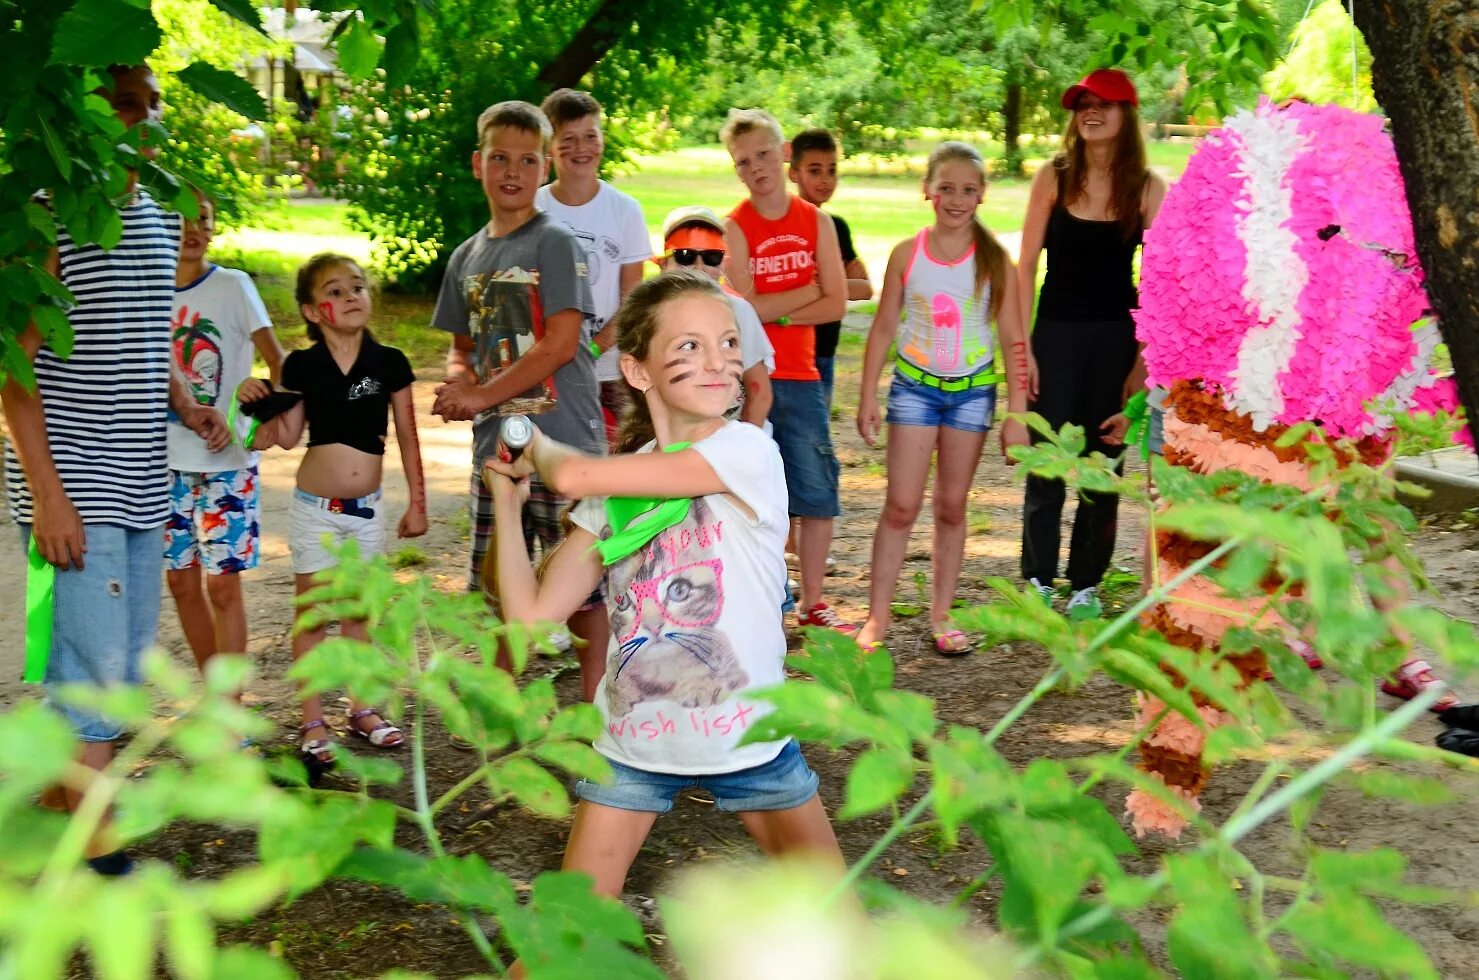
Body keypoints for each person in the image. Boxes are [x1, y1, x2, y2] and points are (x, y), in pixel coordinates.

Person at [484, 271, 845, 903]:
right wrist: (508, 511)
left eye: (728, 344)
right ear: (638, 370)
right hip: (631, 750)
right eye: (688, 347)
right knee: (561, 947)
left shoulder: (746, 451)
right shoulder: (618, 488)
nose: (719, 363)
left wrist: (533, 440)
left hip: (752, 743)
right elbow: (531, 616)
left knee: (843, 933)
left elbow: (569, 474)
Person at [1, 63, 228, 876]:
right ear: (86, 112)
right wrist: (49, 498)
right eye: (128, 102)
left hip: (141, 471)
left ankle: (63, 800)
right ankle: (92, 854)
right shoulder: (51, 215)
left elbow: (144, 331)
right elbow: (14, 374)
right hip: (73, 478)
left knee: (118, 658)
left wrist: (185, 402)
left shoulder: (162, 213)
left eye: (154, 102)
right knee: (96, 666)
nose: (147, 116)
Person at [429, 100, 608, 701]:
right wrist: (459, 389)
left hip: (563, 443)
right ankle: (501, 705)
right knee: (496, 582)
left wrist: (479, 392)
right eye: (499, 158)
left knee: (581, 586)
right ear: (477, 163)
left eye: (527, 160)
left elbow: (559, 345)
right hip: (496, 449)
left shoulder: (554, 243)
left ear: (544, 167)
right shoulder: (465, 257)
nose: (512, 171)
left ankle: (595, 708)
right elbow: (463, 346)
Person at [242, 253, 426, 766]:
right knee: (313, 616)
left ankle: (362, 710)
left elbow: (409, 437)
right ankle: (312, 719)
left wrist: (417, 504)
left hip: (365, 511)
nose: (351, 297)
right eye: (336, 291)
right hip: (314, 512)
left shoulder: (389, 363)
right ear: (313, 309)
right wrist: (255, 400)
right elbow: (279, 438)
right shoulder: (300, 367)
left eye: (358, 287)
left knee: (358, 615)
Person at [855, 142, 1030, 655]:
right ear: (927, 190)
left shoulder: (995, 260)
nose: (957, 199)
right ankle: (876, 620)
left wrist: (1018, 412)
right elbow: (885, 325)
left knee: (952, 506)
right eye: (947, 188)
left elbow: (1013, 337)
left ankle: (943, 615)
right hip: (914, 390)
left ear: (983, 195)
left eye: (969, 190)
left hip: (971, 394)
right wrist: (868, 394)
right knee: (901, 505)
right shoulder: (908, 255)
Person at [1016, 68, 1167, 620]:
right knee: (1048, 460)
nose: (1091, 112)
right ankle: (1037, 577)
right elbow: (1026, 264)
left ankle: (1086, 584)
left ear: (1127, 114)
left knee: (1104, 465)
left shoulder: (1149, 189)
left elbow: (1160, 283)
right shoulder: (1053, 177)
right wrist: (1023, 347)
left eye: (1104, 104)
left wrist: (1142, 365)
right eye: (1082, 104)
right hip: (1053, 334)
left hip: (1115, 341)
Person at [721, 108, 853, 634]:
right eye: (743, 161)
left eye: (762, 154)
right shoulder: (735, 227)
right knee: (759, 494)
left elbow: (837, 302)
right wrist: (805, 294)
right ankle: (769, 595)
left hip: (801, 373)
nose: (756, 167)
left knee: (817, 488)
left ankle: (813, 600)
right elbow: (743, 305)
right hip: (754, 377)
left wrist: (776, 308)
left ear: (784, 154)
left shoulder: (815, 221)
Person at [165, 194, 285, 675]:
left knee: (222, 587)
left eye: (203, 219)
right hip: (162, 463)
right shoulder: (148, 291)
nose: (192, 228)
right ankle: (215, 702)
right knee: (180, 584)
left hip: (227, 464)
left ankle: (229, 713)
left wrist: (257, 419)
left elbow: (278, 360)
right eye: (180, 219)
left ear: (214, 229)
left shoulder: (234, 286)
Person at [535, 89, 652, 449]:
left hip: (610, 373)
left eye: (591, 136)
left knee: (614, 466)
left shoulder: (625, 210)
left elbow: (633, 297)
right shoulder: (533, 208)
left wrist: (595, 349)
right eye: (567, 139)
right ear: (549, 147)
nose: (581, 148)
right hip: (546, 369)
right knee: (551, 467)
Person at [657, 205, 774, 426]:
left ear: (723, 264)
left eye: (711, 256)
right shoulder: (653, 312)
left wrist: (745, 446)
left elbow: (759, 392)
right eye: (685, 256)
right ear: (664, 264)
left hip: (732, 433)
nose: (699, 266)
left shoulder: (738, 311)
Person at [787, 128, 873, 409]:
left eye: (832, 170)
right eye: (815, 170)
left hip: (825, 351)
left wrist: (814, 286)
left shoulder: (837, 227)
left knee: (818, 437)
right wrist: (835, 286)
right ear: (794, 174)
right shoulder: (784, 225)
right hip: (788, 350)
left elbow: (864, 290)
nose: (826, 180)